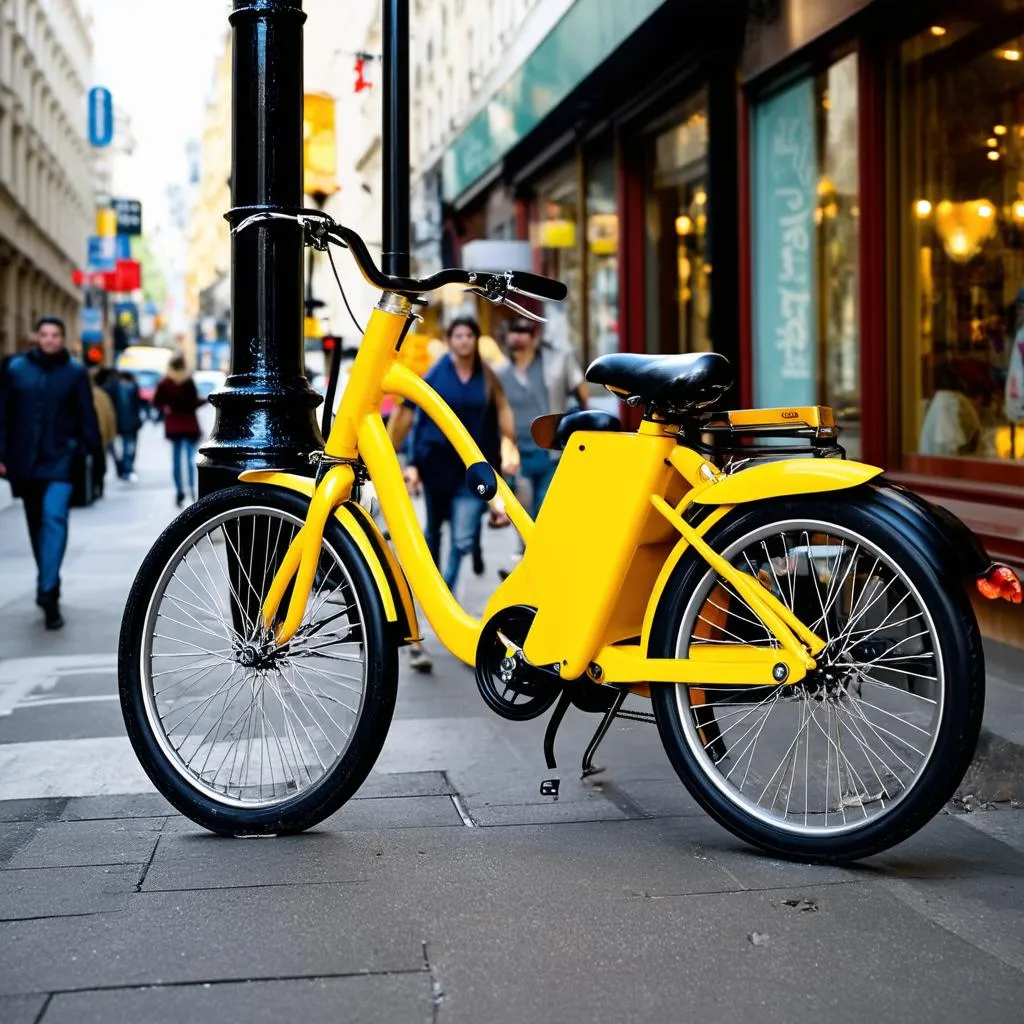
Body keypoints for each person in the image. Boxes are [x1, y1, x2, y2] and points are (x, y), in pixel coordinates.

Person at [388, 316, 519, 673]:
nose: (463, 342)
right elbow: (414, 417)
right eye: (458, 336)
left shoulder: (487, 377)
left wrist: (509, 449)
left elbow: (502, 412)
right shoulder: (435, 374)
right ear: (449, 340)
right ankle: (439, 586)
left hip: (472, 470)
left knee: (461, 535)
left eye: (469, 336)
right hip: (435, 467)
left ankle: (442, 596)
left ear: (475, 340)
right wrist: (411, 464)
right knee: (433, 533)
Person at [0, 316, 102, 629]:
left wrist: (95, 459)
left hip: (61, 460)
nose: (49, 340)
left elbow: (87, 416)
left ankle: (48, 593)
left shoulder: (73, 372)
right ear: (36, 337)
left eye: (55, 335)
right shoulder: (17, 369)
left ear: (62, 338)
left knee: (54, 518)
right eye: (44, 334)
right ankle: (48, 580)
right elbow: (3, 414)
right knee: (36, 525)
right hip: (24, 462)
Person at [495, 317, 587, 578]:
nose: (519, 336)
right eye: (514, 330)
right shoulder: (500, 372)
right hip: (518, 452)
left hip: (550, 451)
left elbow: (581, 394)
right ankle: (531, 564)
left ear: (534, 335)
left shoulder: (556, 361)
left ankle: (534, 568)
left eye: (524, 331)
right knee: (523, 512)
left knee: (544, 507)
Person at [153, 353, 203, 507]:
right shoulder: (188, 381)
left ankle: (179, 491)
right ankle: (192, 489)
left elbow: (156, 401)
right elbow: (194, 401)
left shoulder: (165, 382)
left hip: (174, 425)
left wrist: (166, 408)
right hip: (188, 425)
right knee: (189, 460)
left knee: (176, 461)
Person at [90, 370, 117, 498]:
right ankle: (98, 486)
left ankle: (95, 486)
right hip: (101, 436)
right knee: (100, 462)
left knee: (96, 463)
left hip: (95, 436)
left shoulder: (94, 395)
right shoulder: (101, 395)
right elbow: (110, 416)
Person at [114, 370, 143, 480]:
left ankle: (127, 468)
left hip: (124, 423)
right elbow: (137, 406)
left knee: (126, 446)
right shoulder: (133, 388)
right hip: (132, 423)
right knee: (131, 446)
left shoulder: (118, 388)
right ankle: (128, 467)